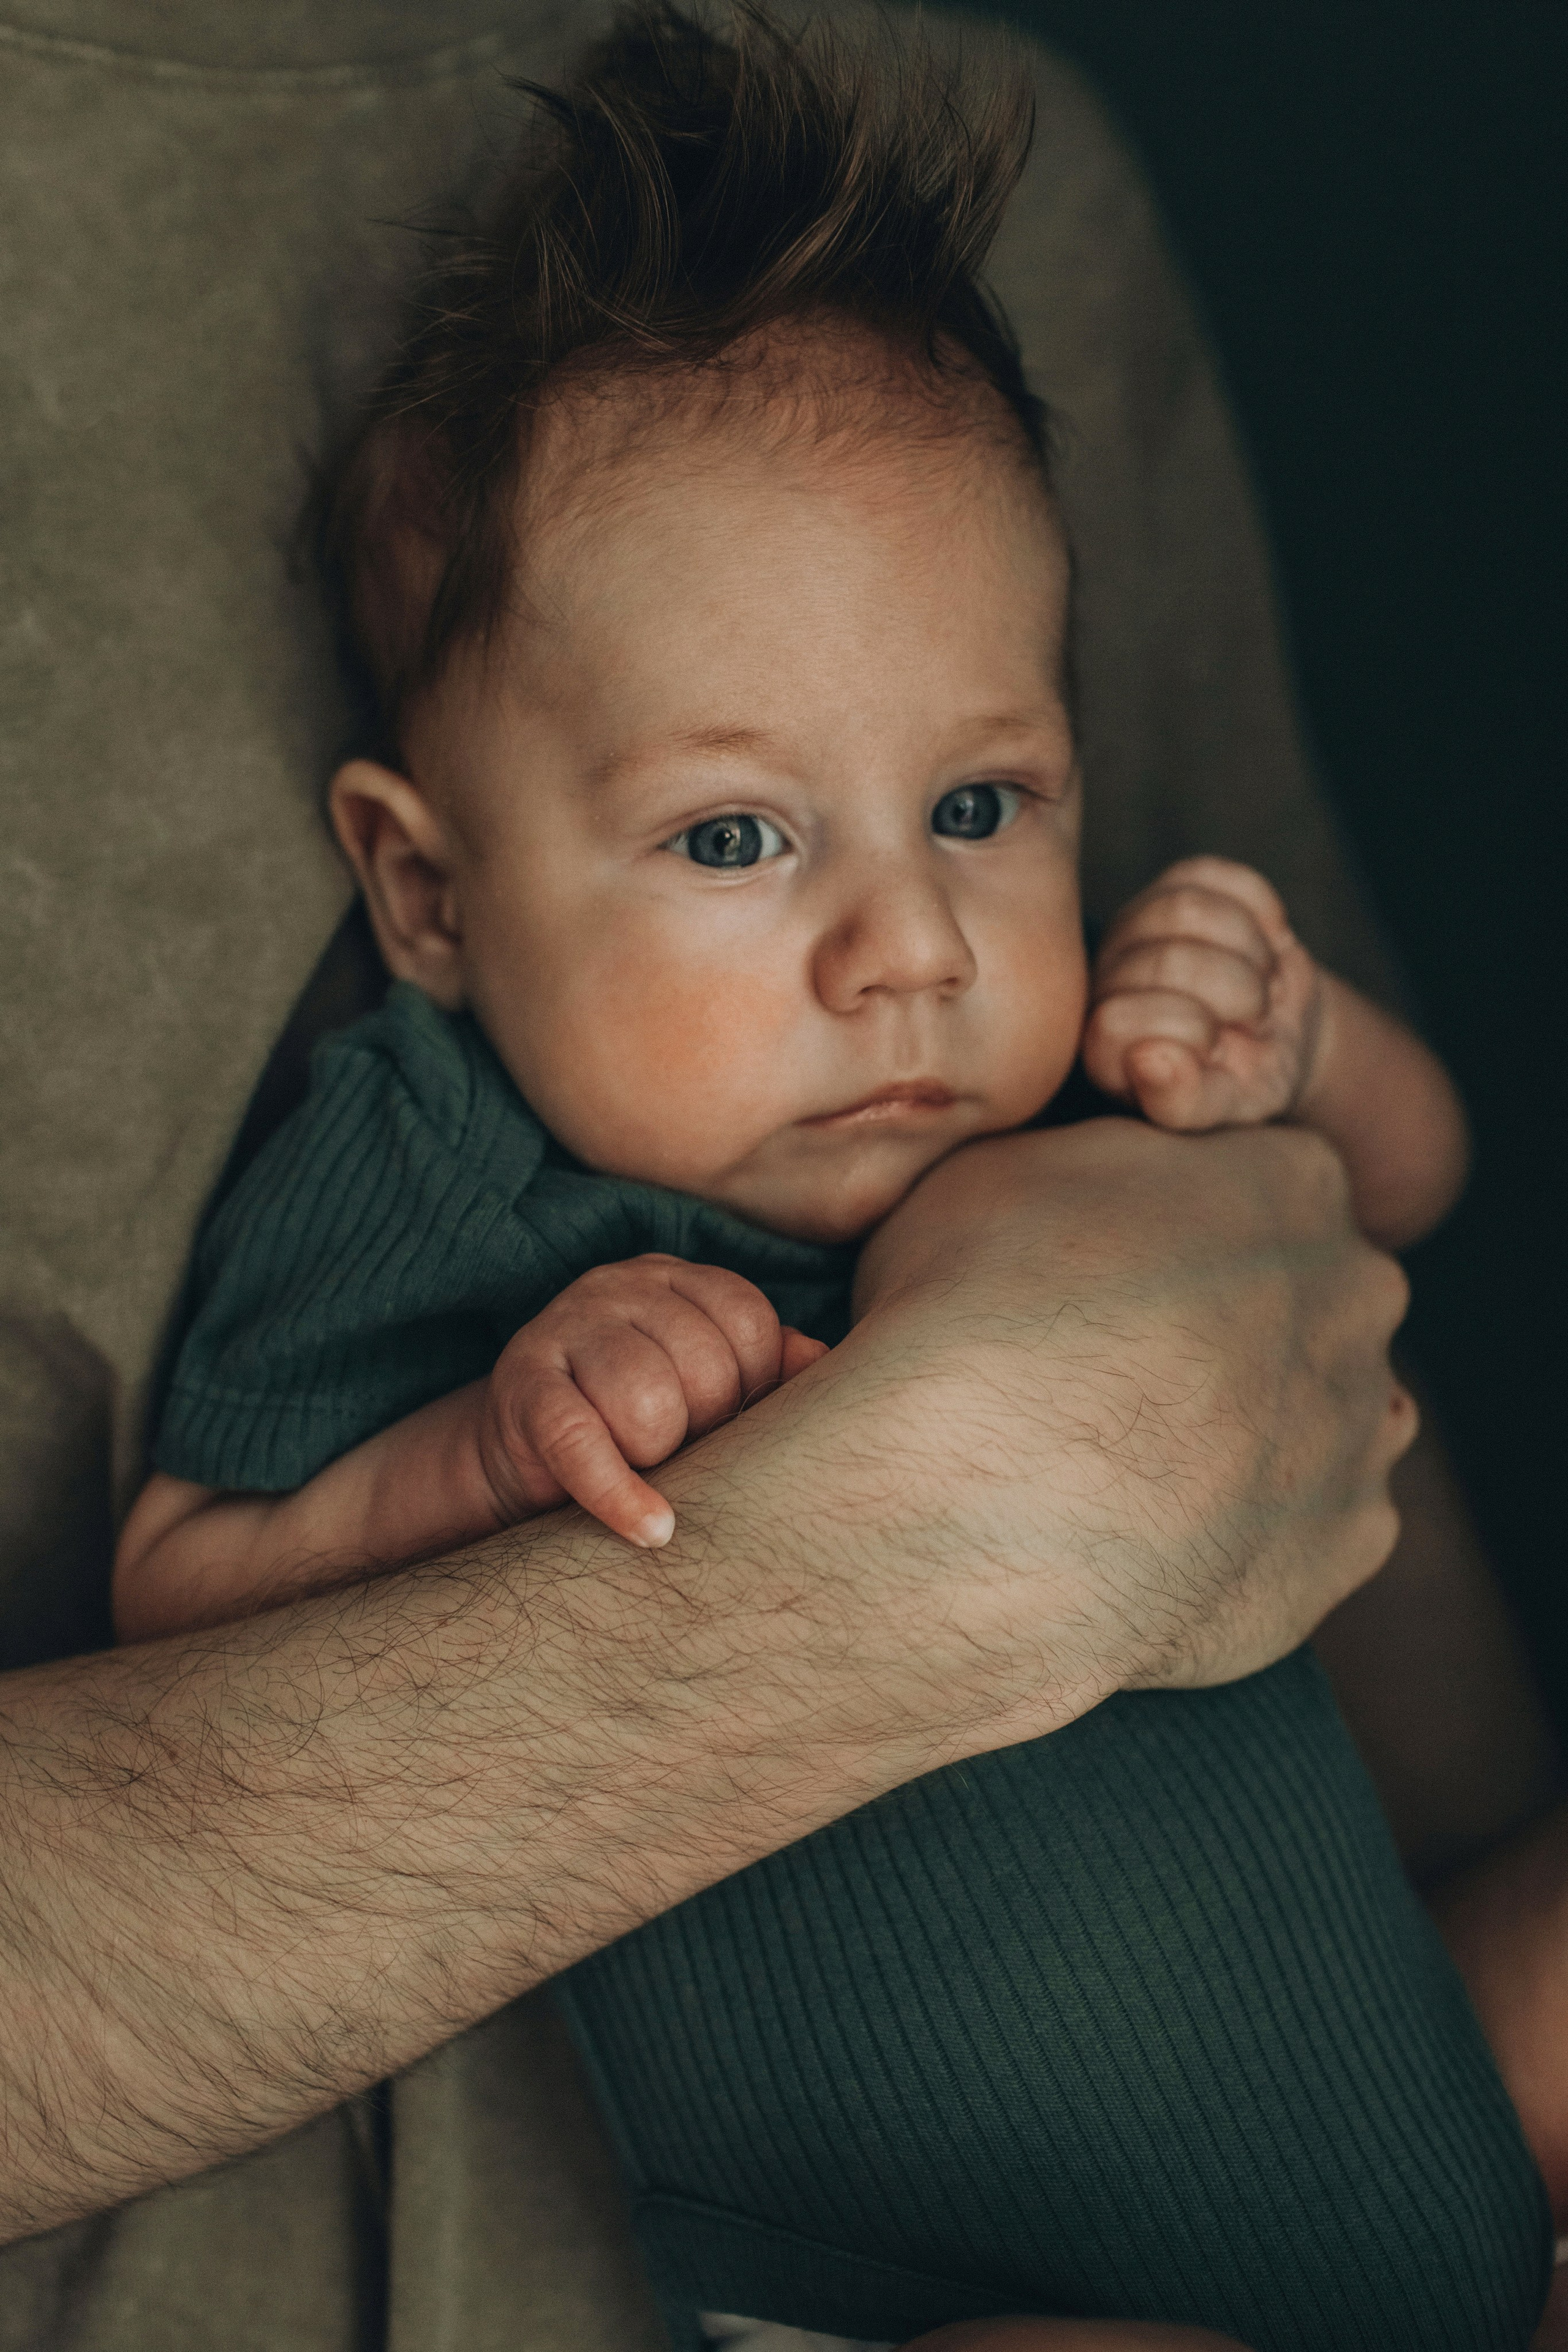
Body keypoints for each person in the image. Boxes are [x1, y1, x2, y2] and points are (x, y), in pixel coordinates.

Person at [104, 10, 1550, 2349]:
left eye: (979, 808)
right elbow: (174, 1585)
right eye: (733, 839)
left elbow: (1406, 1190)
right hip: (933, 2284)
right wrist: (488, 1455)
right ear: (432, 896)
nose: (910, 947)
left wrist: (1302, 1056)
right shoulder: (440, 1173)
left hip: (1402, 2080)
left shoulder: (1072, 1077)